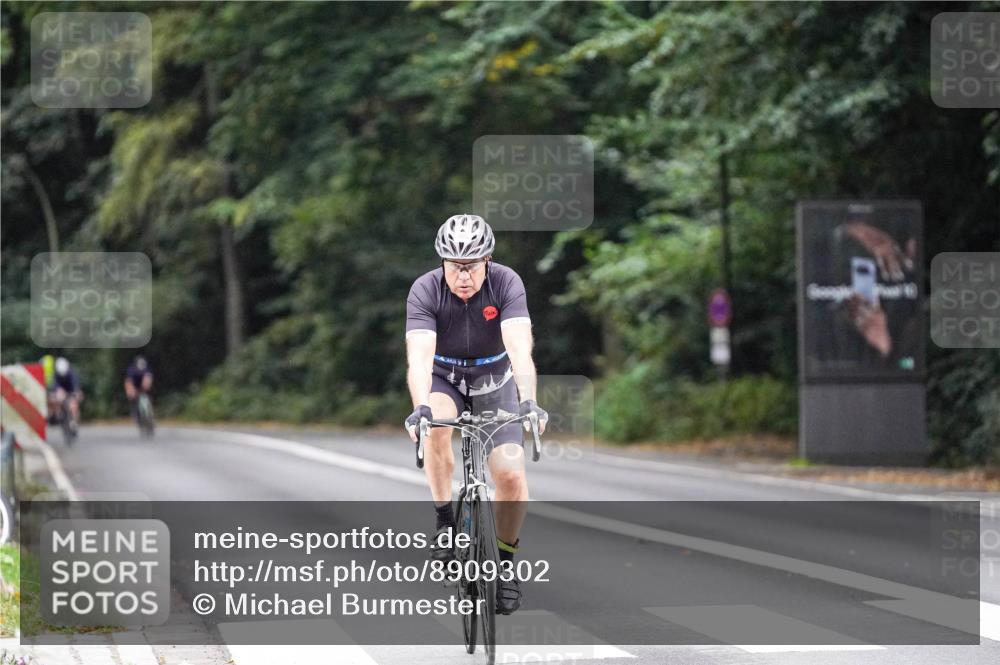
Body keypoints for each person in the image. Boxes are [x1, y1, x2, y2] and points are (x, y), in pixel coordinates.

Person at [404, 213, 548, 615]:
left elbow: (519, 348)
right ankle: (445, 522)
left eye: (472, 265)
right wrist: (420, 408)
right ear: (442, 263)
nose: (463, 276)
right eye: (455, 266)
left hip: (494, 381)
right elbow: (420, 358)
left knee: (511, 475)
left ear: (488, 260)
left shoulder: (506, 282)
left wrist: (528, 399)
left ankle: (505, 564)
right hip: (444, 377)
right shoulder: (425, 290)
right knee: (435, 427)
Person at [48, 357, 82, 433]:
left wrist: (77, 392)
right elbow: (54, 385)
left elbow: (76, 385)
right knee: (54, 399)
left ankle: (74, 422)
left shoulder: (72, 374)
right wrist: (56, 391)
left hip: (71, 390)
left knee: (73, 405)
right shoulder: (56, 374)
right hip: (61, 391)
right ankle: (57, 415)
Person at [124, 355, 154, 421]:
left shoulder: (147, 369)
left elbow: (148, 379)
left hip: (142, 384)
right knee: (132, 395)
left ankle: (149, 413)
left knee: (147, 394)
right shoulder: (131, 370)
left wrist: (146, 387)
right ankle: (135, 413)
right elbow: (129, 382)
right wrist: (131, 391)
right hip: (134, 384)